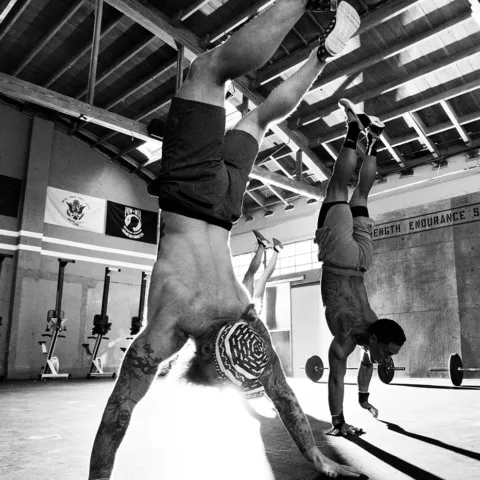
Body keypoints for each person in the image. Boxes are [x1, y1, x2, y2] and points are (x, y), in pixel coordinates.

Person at [89, 1, 362, 478]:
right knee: (209, 70)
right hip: (192, 197)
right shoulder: (176, 329)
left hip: (223, 208)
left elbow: (281, 395)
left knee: (258, 120)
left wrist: (318, 458)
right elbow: (119, 412)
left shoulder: (231, 316)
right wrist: (316, 459)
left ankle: (323, 54)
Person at [314, 98, 407, 437]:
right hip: (340, 257)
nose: (387, 360)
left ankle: (375, 137)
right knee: (339, 188)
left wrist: (364, 400)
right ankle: (354, 129)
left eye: (389, 355)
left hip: (362, 261)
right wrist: (338, 423)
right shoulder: (347, 337)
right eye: (388, 352)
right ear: (377, 339)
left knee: (362, 195)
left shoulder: (372, 334)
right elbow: (336, 378)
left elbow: (367, 366)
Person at [242, 230, 283, 313]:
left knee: (255, 277)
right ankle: (267, 247)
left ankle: (274, 249)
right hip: (248, 313)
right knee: (252, 277)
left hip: (250, 313)